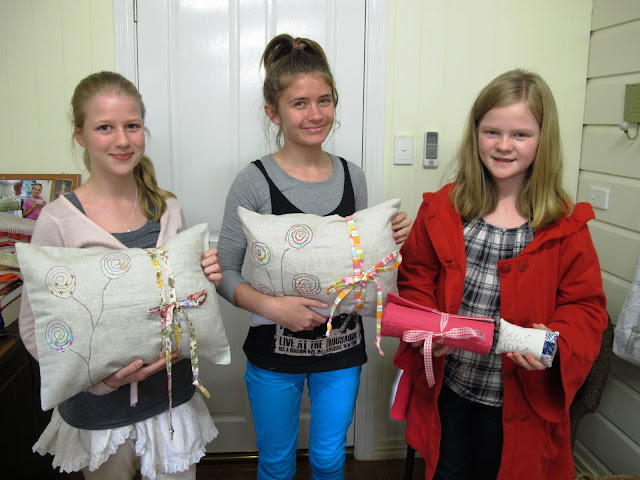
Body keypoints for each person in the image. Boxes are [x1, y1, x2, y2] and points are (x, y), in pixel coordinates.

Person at [390, 69, 608, 480]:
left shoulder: (564, 226)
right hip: (451, 389)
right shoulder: (443, 209)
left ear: (543, 139)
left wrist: (554, 341)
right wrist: (426, 331)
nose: (504, 145)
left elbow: (585, 307)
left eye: (520, 134)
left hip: (518, 403)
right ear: (475, 134)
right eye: (492, 132)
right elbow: (416, 278)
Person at [211, 34, 411, 480]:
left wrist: (393, 238)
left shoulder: (352, 176)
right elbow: (223, 271)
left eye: (324, 100)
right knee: (276, 462)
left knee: (328, 459)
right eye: (299, 103)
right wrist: (272, 308)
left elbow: (359, 260)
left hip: (341, 351)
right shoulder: (253, 181)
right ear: (274, 112)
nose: (315, 114)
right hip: (273, 353)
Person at [18, 71, 222, 480]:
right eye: (105, 128)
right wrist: (100, 380)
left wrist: (204, 281)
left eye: (132, 125)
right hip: (98, 413)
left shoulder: (168, 209)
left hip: (171, 401)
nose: (123, 140)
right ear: (80, 135)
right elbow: (33, 327)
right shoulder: (59, 221)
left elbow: (181, 300)